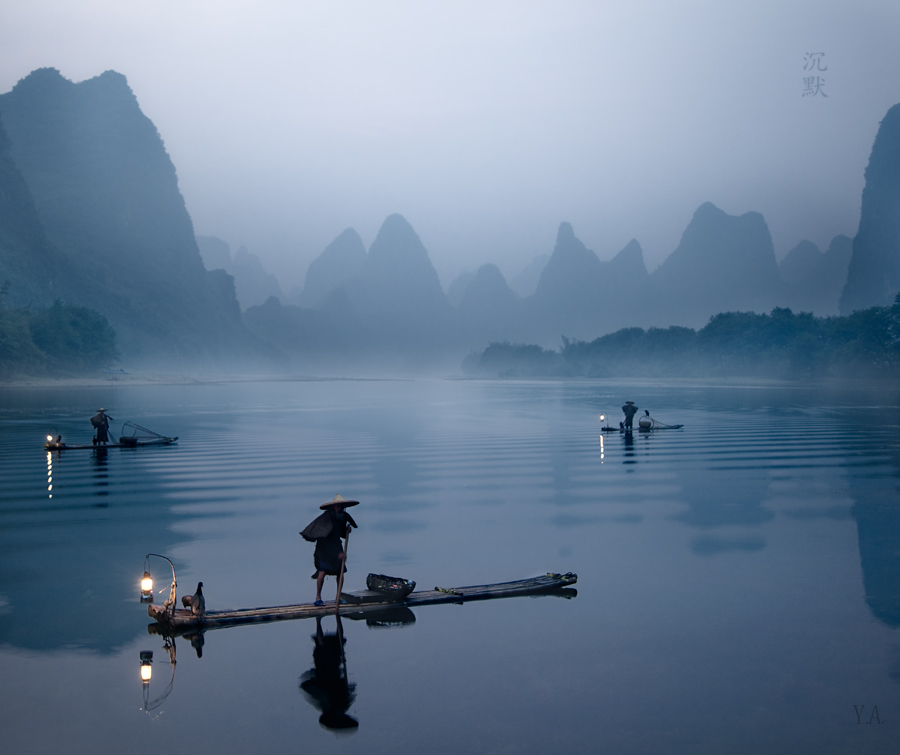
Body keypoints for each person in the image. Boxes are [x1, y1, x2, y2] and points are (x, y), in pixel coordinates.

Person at [301, 495, 359, 606]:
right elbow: (324, 535)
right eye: (338, 506)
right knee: (322, 572)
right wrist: (337, 554)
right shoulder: (326, 518)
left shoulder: (343, 516)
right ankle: (318, 598)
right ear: (333, 507)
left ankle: (338, 597)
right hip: (324, 549)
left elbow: (341, 534)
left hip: (336, 546)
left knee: (340, 572)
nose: (340, 508)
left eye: (341, 506)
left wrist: (347, 531)